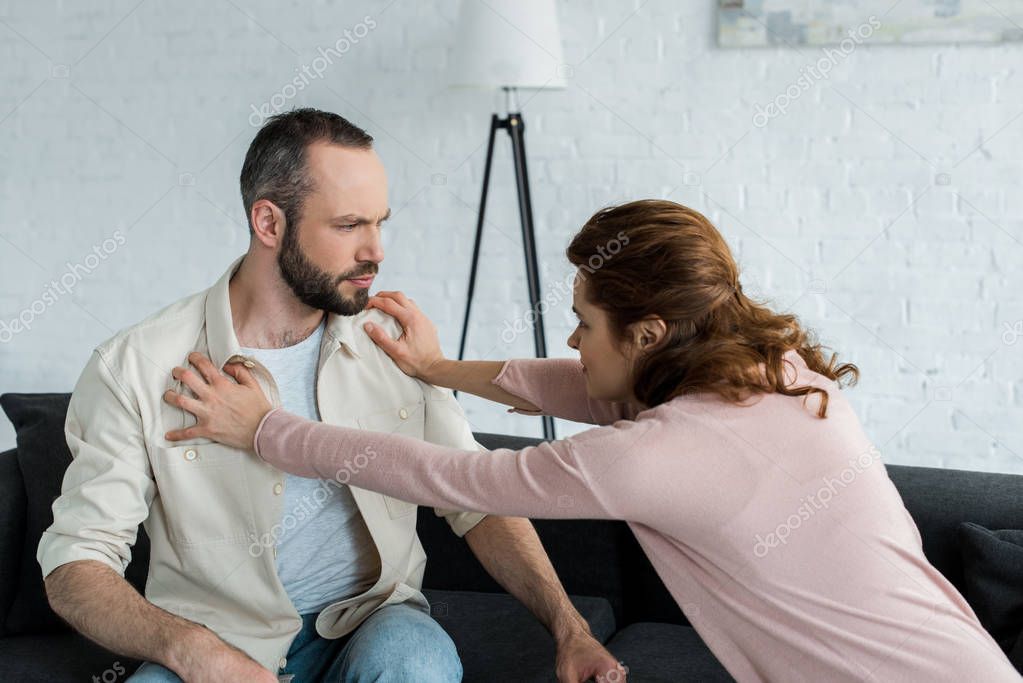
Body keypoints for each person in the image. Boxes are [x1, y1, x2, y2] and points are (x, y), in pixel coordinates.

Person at [165, 198, 1022, 682]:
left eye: (583, 322)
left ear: (649, 332)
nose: (572, 340)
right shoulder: (775, 371)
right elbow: (593, 388)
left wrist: (269, 429)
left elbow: (454, 476)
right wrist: (439, 369)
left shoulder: (656, 456)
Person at [39, 108, 622, 683]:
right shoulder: (135, 366)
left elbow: (476, 498)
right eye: (349, 226)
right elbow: (75, 563)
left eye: (379, 222)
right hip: (219, 645)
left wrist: (571, 630)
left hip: (372, 623)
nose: (376, 250)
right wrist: (192, 651)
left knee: (414, 663)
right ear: (269, 224)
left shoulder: (392, 343)